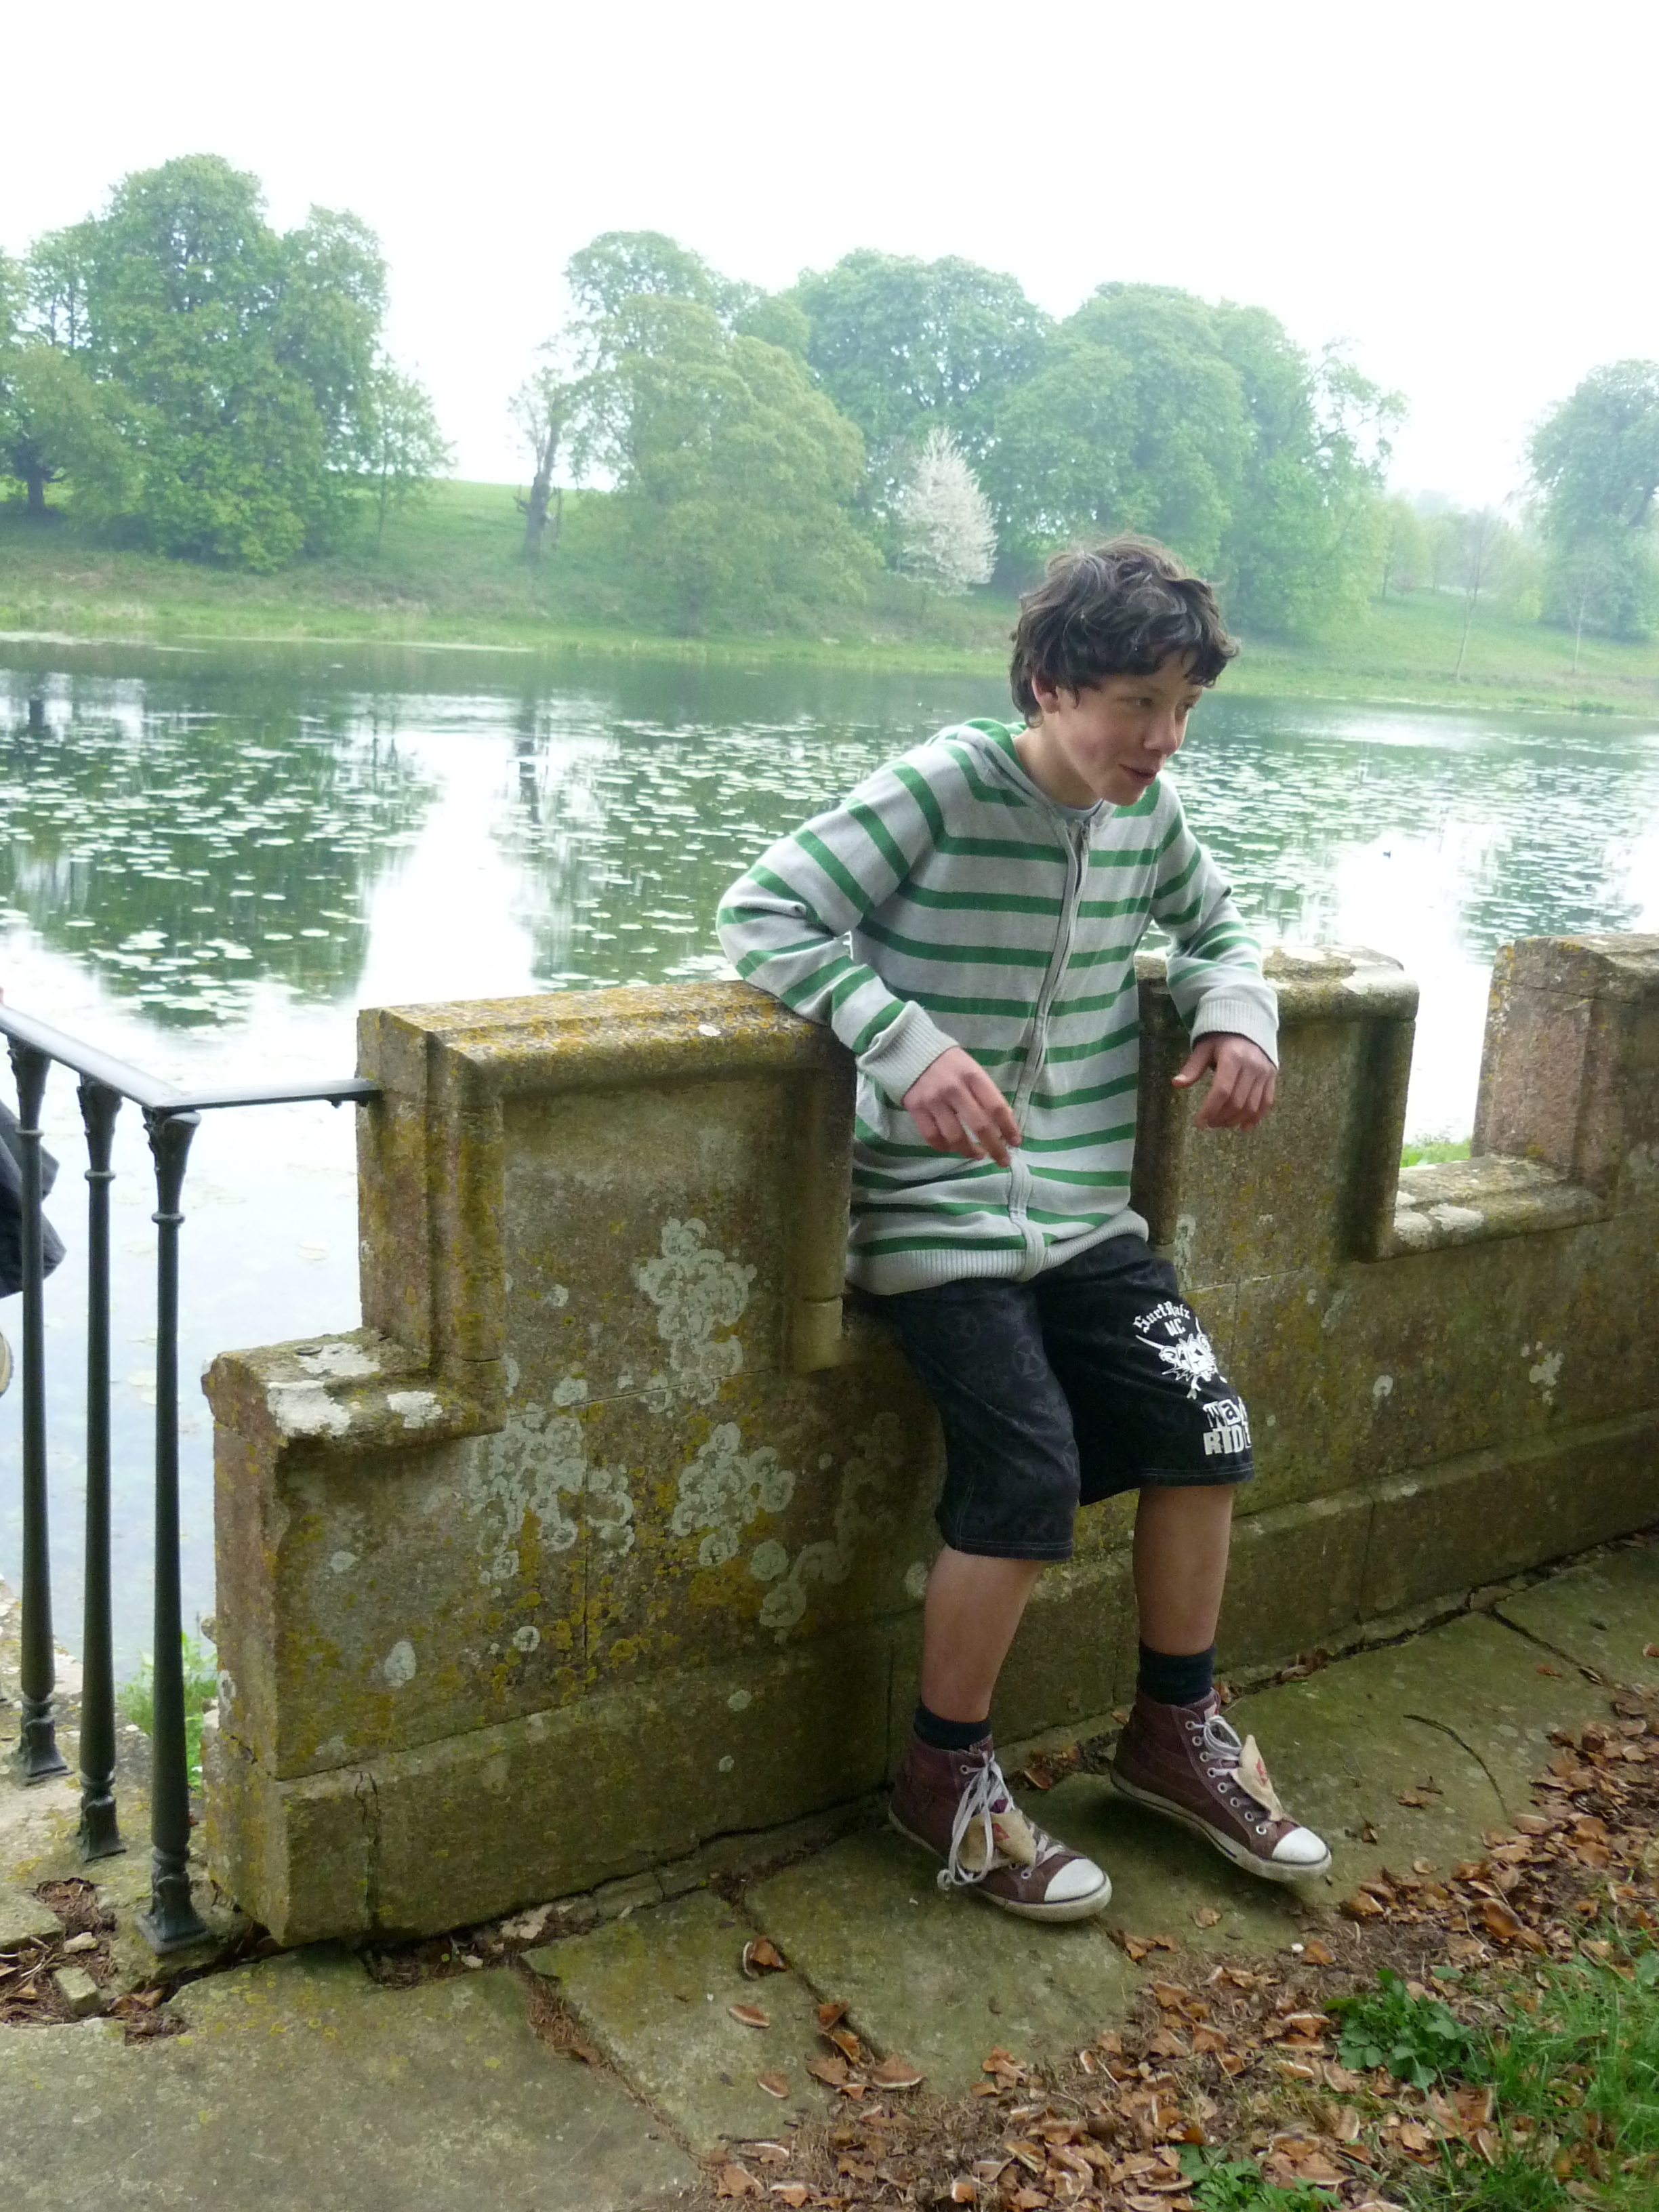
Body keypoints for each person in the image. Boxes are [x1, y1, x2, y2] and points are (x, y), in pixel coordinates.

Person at [716, 537, 1329, 1921]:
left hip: (1084, 1216)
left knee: (1208, 1428)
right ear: (1052, 686)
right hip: (931, 1216)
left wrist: (1239, 1015)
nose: (1163, 741)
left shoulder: (1146, 817)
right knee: (1031, 1471)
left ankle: (1172, 1735)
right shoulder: (947, 786)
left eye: (1184, 707)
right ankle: (943, 1778)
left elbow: (1221, 932)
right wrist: (903, 1042)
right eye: (1137, 703)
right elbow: (764, 911)